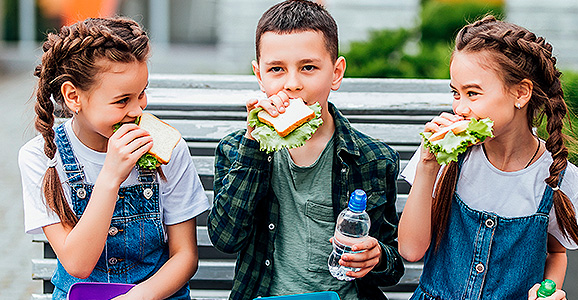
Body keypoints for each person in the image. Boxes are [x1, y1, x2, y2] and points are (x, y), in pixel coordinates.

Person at [207, 1, 404, 299]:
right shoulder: (237, 148)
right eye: (276, 69)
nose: (292, 84)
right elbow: (225, 238)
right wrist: (253, 140)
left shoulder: (373, 159)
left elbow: (393, 265)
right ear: (259, 74)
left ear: (336, 73)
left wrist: (377, 256)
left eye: (308, 67)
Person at [397, 15, 578, 300]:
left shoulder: (561, 179)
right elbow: (411, 250)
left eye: (473, 93)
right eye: (456, 93)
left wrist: (547, 291)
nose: (460, 108)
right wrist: (428, 166)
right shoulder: (445, 154)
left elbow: (556, 252)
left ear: (521, 92)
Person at [18, 17, 209, 299]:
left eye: (142, 93)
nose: (137, 110)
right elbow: (78, 264)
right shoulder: (42, 158)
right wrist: (111, 176)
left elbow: (185, 256)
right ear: (73, 96)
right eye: (122, 100)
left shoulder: (167, 149)